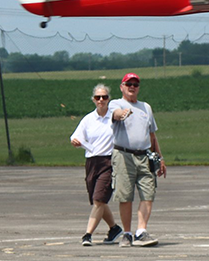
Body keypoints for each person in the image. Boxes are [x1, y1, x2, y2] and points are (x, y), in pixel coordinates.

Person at [109, 73, 167, 248]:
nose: (132, 87)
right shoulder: (116, 104)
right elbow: (115, 114)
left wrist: (161, 157)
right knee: (126, 195)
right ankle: (127, 233)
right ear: (122, 87)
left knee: (148, 193)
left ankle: (141, 231)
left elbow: (152, 134)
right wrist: (122, 114)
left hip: (145, 155)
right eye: (129, 84)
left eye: (135, 84)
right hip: (123, 155)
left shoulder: (146, 107)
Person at [70, 84, 123, 246]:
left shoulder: (113, 118)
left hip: (109, 161)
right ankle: (114, 228)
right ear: (93, 100)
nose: (101, 100)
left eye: (104, 97)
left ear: (109, 99)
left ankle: (87, 234)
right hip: (92, 162)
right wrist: (75, 141)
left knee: (99, 200)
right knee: (97, 200)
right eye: (98, 97)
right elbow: (75, 136)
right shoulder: (88, 119)